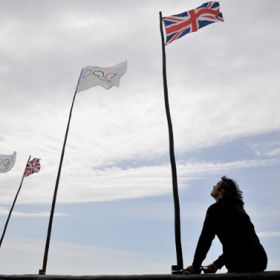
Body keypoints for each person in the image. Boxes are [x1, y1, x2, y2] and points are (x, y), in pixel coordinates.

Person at [186, 176, 267, 274]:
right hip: (259, 259)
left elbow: (205, 239)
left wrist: (196, 265)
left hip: (242, 263)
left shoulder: (214, 210)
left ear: (222, 191)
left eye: (216, 185)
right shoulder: (239, 210)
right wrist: (217, 264)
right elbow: (240, 244)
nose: (213, 186)